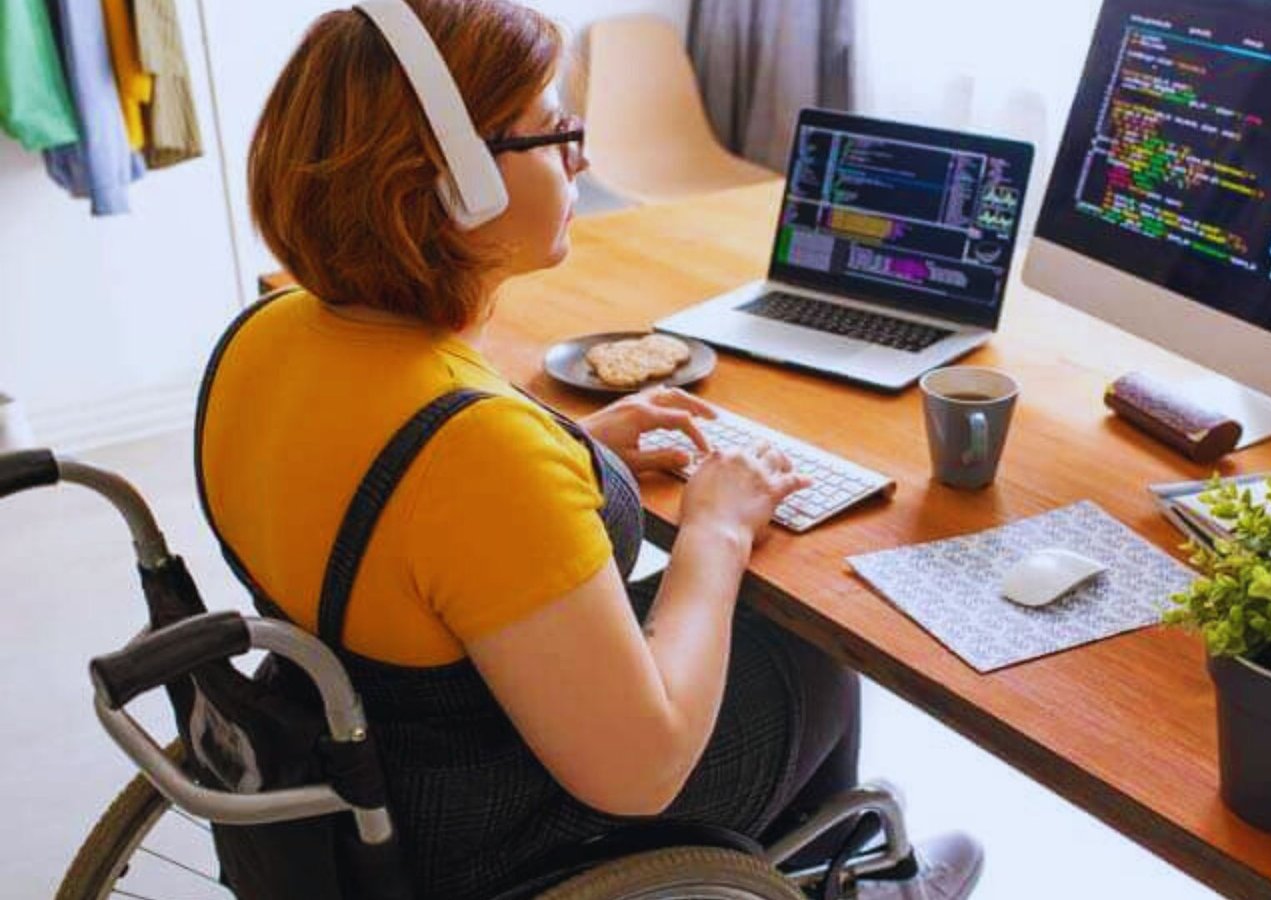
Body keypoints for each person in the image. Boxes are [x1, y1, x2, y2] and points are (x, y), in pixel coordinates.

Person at [197, 1, 982, 898]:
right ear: (456, 180)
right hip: (478, 832)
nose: (582, 157)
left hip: (359, 758)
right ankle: (849, 883)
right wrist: (715, 529)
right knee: (811, 642)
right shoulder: (477, 454)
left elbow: (401, 506)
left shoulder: (266, 332)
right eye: (552, 130)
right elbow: (640, 775)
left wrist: (571, 446)